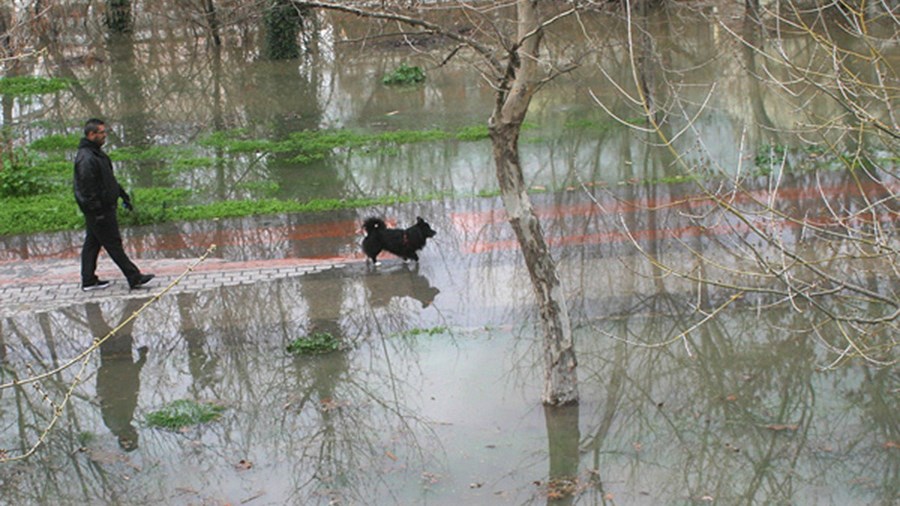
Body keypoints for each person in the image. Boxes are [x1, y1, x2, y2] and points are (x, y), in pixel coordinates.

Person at [74, 118, 154, 291]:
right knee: (113, 243)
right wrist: (98, 212)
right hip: (99, 211)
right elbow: (87, 190)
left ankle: (88, 280)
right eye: (101, 133)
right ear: (91, 134)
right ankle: (134, 277)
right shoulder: (86, 159)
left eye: (105, 132)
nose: (105, 136)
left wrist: (123, 196)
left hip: (103, 208)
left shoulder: (97, 154)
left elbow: (108, 181)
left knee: (92, 243)